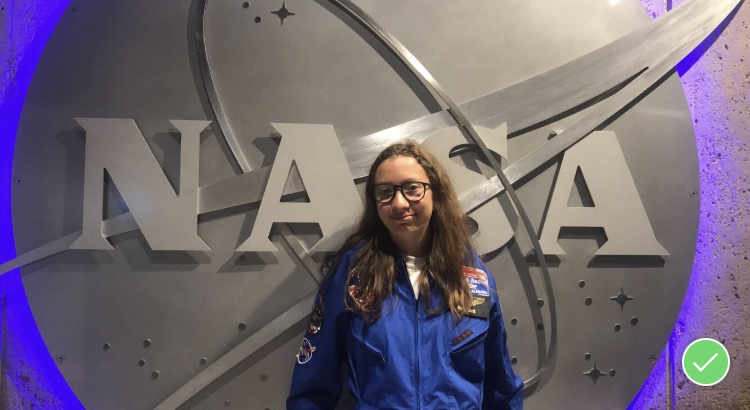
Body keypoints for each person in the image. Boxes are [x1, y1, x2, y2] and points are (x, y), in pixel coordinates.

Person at [287, 141, 523, 409]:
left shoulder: (472, 278)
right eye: (386, 192)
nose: (399, 203)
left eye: (412, 188)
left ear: (435, 192)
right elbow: (312, 389)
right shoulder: (354, 273)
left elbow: (501, 386)